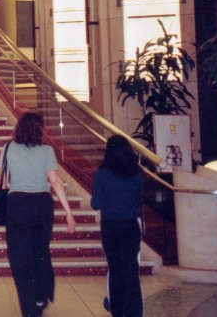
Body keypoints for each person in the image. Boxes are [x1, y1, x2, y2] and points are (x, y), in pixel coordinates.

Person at [2, 111, 77, 317]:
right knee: (40, 251)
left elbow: (4, 182)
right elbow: (55, 181)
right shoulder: (47, 151)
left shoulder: (8, 148)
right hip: (41, 204)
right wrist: (68, 213)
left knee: (19, 256)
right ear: (40, 129)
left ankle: (29, 307)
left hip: (17, 204)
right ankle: (42, 294)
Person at [91, 135, 144, 317]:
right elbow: (139, 200)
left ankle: (118, 310)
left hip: (110, 226)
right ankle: (134, 313)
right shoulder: (136, 173)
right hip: (130, 225)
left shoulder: (101, 174)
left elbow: (96, 204)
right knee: (131, 270)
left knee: (115, 270)